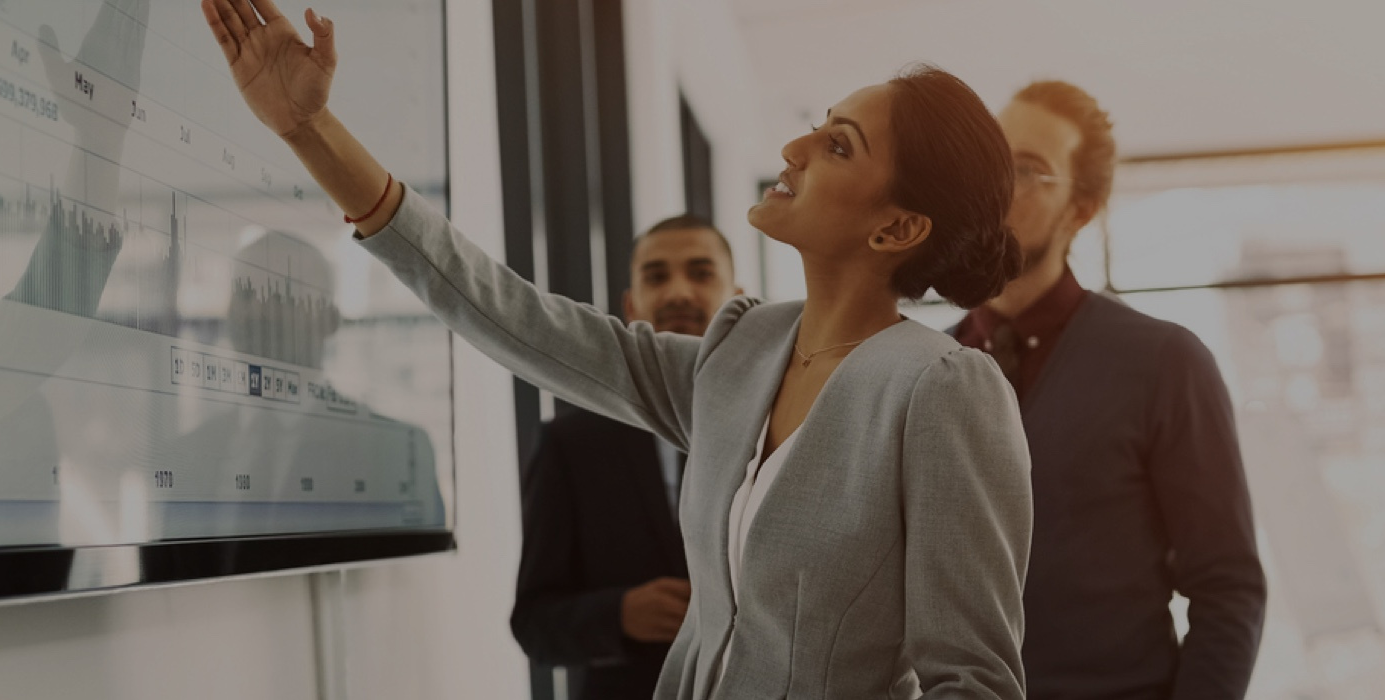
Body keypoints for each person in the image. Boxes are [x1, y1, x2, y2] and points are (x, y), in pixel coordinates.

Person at [200, 1, 1034, 698]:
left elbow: (975, 682)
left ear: (897, 227)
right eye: (817, 127)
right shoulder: (739, 351)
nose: (796, 150)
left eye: (839, 144)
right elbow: (514, 318)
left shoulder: (944, 390)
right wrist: (311, 131)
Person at [957, 80, 1265, 700]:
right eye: (988, 161)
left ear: (1081, 210)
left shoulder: (1165, 362)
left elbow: (1227, 587)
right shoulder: (927, 365)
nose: (995, 187)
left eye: (1026, 171)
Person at [511, 216, 743, 699]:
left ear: (738, 300)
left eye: (701, 273)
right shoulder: (571, 444)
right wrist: (618, 614)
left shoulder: (783, 425)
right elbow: (534, 624)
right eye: (657, 276)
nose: (678, 292)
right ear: (631, 304)